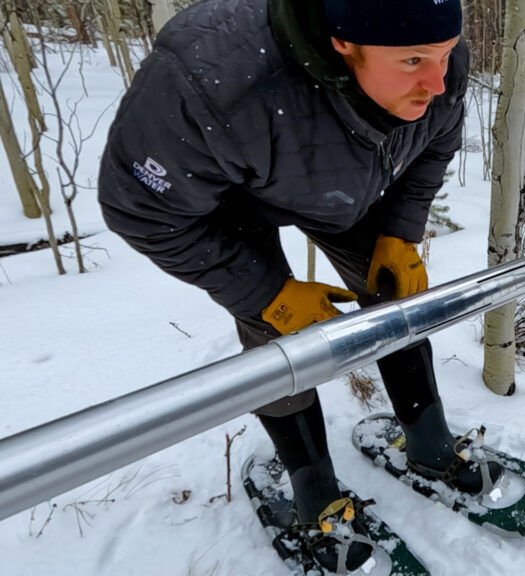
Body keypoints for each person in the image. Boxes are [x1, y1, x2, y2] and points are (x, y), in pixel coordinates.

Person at [98, 0, 500, 571]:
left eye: (443, 55)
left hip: (354, 189)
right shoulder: (209, 79)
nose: (436, 80)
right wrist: (268, 295)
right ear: (343, 43)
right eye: (414, 60)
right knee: (278, 343)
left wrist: (400, 232)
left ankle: (430, 447)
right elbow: (140, 209)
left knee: (398, 303)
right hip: (234, 203)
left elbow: (435, 144)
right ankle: (316, 497)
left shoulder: (440, 63)